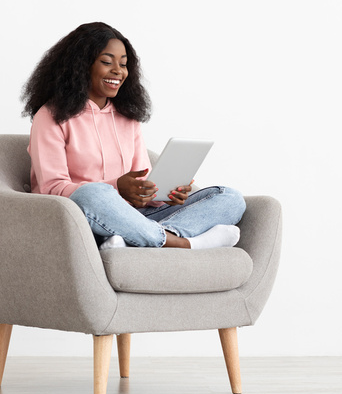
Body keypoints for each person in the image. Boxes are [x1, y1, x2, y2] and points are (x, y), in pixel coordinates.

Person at [22, 22, 245, 250]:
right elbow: (52, 189)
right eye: (107, 62)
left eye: (124, 64)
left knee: (230, 198)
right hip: (85, 215)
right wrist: (116, 187)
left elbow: (143, 186)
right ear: (81, 65)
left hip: (135, 215)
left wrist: (165, 194)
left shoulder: (128, 117)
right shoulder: (50, 115)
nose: (118, 71)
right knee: (92, 193)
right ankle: (183, 243)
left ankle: (132, 239)